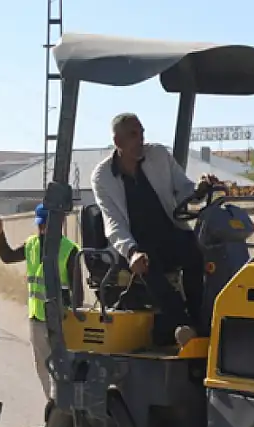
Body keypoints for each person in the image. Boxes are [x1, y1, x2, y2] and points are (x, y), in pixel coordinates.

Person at [90, 112, 219, 347]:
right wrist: (131, 252)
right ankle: (184, 325)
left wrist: (200, 190)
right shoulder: (102, 177)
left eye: (141, 133)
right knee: (147, 263)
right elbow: (113, 222)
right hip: (136, 243)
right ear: (118, 142)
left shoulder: (158, 155)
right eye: (133, 134)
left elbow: (184, 190)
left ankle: (201, 321)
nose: (140, 139)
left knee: (195, 250)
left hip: (170, 231)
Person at [0, 204, 83, 419]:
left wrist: (71, 314)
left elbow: (77, 292)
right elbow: (6, 256)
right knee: (42, 365)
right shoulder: (31, 245)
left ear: (58, 225)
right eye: (40, 225)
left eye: (46, 225)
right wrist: (0, 234)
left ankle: (63, 414)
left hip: (61, 321)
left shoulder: (70, 251)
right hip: (37, 318)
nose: (42, 229)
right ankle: (55, 410)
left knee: (62, 366)